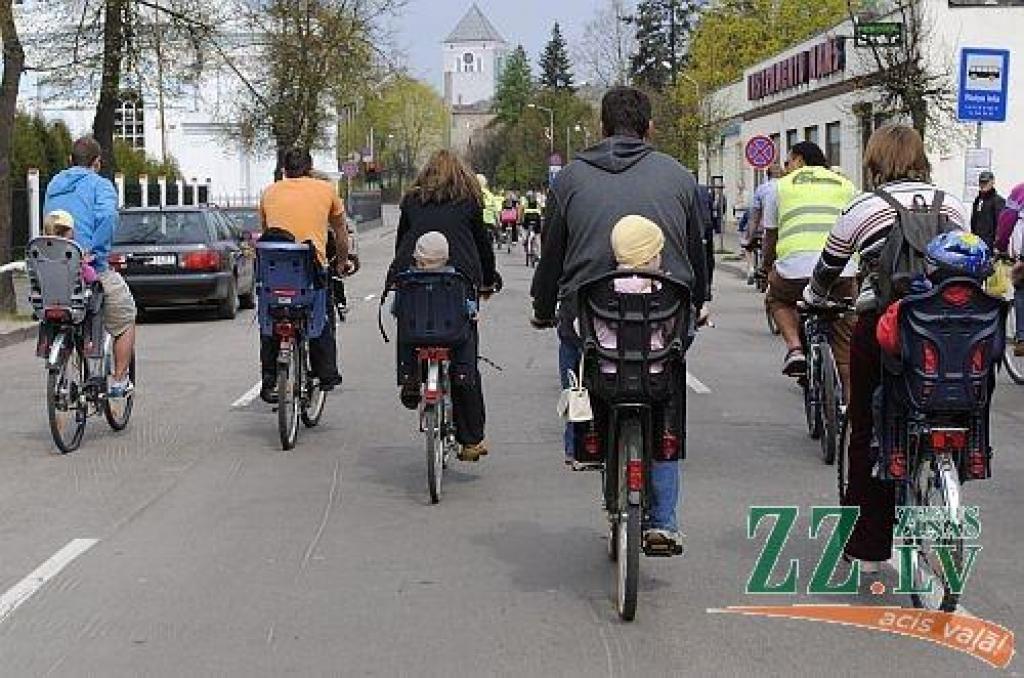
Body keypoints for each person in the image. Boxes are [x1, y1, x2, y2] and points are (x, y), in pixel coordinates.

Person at [530, 86, 707, 546]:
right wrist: (699, 299)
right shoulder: (681, 177)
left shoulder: (568, 179)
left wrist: (542, 306)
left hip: (588, 318)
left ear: (602, 129)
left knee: (578, 359)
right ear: (649, 128)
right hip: (664, 318)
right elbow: (697, 250)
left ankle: (581, 438)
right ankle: (664, 520)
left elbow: (552, 255)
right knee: (667, 404)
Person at [803, 124, 969, 572]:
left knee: (865, 428)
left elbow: (827, 269)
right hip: (945, 333)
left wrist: (815, 301)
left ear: (874, 161)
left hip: (884, 328)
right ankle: (941, 470)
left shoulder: (863, 207)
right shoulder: (951, 205)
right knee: (943, 406)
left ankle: (869, 547)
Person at [387, 150, 498, 462]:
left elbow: (401, 243)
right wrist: (488, 280)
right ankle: (471, 439)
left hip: (414, 273)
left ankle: (410, 376)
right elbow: (482, 246)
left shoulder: (411, 201)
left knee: (409, 316)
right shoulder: (468, 200)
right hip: (460, 278)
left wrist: (399, 273)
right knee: (464, 346)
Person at [43, 136, 136, 397]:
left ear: (69, 160)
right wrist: (95, 251)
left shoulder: (53, 184)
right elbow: (107, 217)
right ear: (97, 162)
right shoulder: (100, 185)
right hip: (88, 267)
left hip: (54, 272)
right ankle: (118, 381)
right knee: (126, 317)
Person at [762, 141, 857, 386]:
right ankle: (847, 414)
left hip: (794, 272)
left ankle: (795, 348)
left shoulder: (780, 188)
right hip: (840, 272)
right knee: (845, 332)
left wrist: (766, 268)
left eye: (789, 161)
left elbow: (771, 235)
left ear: (800, 161)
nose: (786, 167)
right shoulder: (847, 185)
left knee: (777, 298)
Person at [258, 147, 347, 403]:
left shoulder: (269, 192)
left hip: (274, 273)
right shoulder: (326, 190)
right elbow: (341, 234)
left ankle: (270, 378)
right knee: (322, 315)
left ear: (284, 170)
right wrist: (341, 263)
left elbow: (267, 233)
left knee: (270, 321)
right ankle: (326, 373)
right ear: (309, 168)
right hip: (309, 270)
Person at [876, 232, 993, 356]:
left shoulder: (911, 305)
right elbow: (995, 351)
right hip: (976, 374)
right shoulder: (991, 307)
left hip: (920, 373)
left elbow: (887, 340)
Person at [996, 182, 1024, 355]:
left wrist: (1001, 245)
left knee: (1021, 285)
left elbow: (1007, 221)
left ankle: (1022, 337)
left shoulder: (1020, 191)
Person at [744, 165, 783, 284]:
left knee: (751, 246)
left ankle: (756, 269)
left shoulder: (761, 189)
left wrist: (749, 236)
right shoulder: (787, 187)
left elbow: (755, 216)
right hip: (784, 229)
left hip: (766, 228)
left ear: (768, 175)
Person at [43, 210, 98, 284]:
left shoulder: (41, 253)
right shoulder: (72, 253)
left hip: (47, 292)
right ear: (69, 232)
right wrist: (84, 263)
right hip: (71, 293)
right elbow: (90, 277)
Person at [971, 170, 1005, 250]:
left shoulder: (998, 200)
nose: (983, 185)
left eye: (986, 182)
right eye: (981, 182)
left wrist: (997, 244)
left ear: (992, 182)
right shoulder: (978, 199)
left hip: (990, 243)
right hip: (977, 242)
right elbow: (974, 220)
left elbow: (1001, 224)